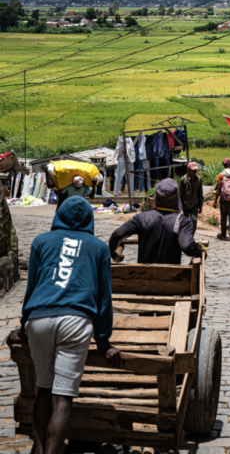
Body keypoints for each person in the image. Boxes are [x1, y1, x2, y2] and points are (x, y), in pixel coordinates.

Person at [8, 197, 123, 454]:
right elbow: (104, 298)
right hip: (76, 321)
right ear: (89, 219)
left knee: (44, 390)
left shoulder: (41, 241)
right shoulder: (99, 248)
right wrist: (103, 341)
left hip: (39, 319)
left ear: (58, 214)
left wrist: (24, 328)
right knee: (62, 399)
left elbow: (32, 288)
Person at [108, 179, 204, 264]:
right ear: (176, 198)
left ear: (156, 197)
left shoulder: (141, 218)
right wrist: (201, 252)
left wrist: (112, 253)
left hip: (142, 275)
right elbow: (187, 246)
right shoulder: (183, 221)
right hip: (171, 277)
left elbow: (117, 234)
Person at [179, 162, 203, 233]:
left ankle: (192, 236)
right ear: (188, 170)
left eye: (195, 170)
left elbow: (200, 193)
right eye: (193, 170)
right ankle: (186, 235)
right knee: (185, 222)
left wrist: (200, 206)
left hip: (194, 204)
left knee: (194, 220)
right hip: (185, 205)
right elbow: (180, 194)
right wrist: (180, 206)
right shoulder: (183, 180)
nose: (195, 172)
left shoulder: (198, 180)